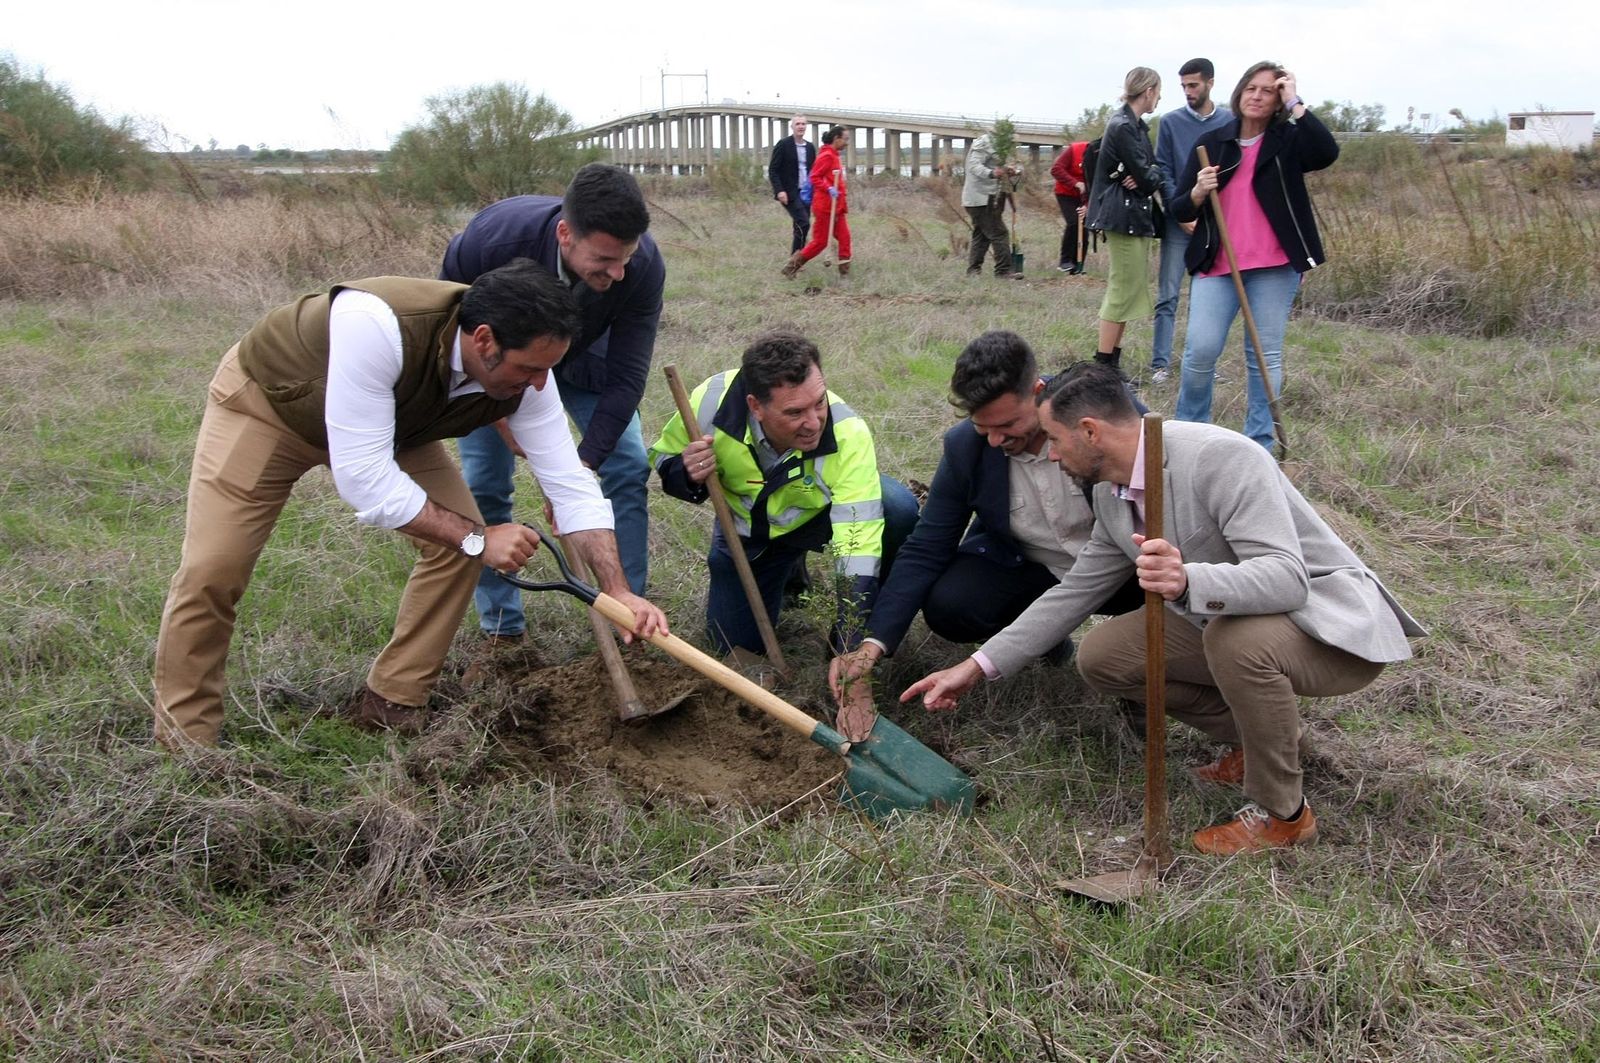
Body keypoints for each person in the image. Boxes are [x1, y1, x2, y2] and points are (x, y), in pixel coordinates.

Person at [901, 361, 1424, 855]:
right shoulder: (1111, 496)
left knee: (1234, 642)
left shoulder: (1222, 457)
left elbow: (1288, 580)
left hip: (1329, 626)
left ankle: (1284, 815)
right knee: (1103, 656)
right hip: (1231, 623)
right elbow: (1072, 594)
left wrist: (1187, 579)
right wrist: (975, 667)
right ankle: (1260, 740)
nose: (1052, 456)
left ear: (1089, 432)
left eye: (1055, 441)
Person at [152, 260, 667, 748]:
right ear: (483, 339)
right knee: (212, 570)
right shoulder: (376, 324)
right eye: (529, 368)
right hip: (272, 408)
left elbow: (568, 482)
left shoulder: (531, 374)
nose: (538, 384)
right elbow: (365, 479)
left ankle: (391, 701)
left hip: (395, 425)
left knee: (457, 547)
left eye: (545, 371)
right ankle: (186, 738)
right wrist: (478, 537)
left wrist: (617, 590)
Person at [827, 331, 1142, 741]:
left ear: (1038, 391)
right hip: (1034, 567)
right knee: (951, 604)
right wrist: (873, 644)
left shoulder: (1102, 420)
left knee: (1151, 586)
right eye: (983, 428)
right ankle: (1042, 638)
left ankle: (1136, 673)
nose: (995, 440)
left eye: (1009, 424)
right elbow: (926, 547)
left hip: (1123, 566)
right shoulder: (966, 448)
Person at [440, 164, 664, 654]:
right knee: (484, 485)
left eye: (625, 258)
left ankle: (628, 611)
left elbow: (628, 375)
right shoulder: (491, 242)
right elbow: (456, 341)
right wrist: (498, 414)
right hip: (494, 367)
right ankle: (503, 631)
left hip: (585, 361)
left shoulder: (640, 265)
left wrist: (576, 471)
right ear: (565, 234)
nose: (619, 272)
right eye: (604, 260)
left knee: (625, 462)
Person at [648, 329, 919, 656]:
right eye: (794, 413)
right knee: (731, 648)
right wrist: (686, 472)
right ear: (755, 406)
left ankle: (842, 627)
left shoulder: (847, 431)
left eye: (819, 403)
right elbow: (664, 457)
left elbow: (858, 543)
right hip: (751, 531)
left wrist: (850, 645)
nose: (814, 423)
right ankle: (787, 570)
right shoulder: (709, 402)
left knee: (897, 508)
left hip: (818, 518)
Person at [1171, 63, 1338, 452]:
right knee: (1201, 350)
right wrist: (1197, 192)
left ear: (1278, 99)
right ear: (1240, 92)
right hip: (1217, 265)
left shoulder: (1288, 143)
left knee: (1264, 358)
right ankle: (1190, 437)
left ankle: (1259, 444)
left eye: (1269, 91)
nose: (1258, 96)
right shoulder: (1212, 142)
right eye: (1252, 88)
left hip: (1273, 269)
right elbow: (1179, 208)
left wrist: (1295, 100)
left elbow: (1326, 151)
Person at [1150, 58, 1232, 384]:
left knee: (1207, 297)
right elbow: (1163, 170)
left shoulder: (1230, 121)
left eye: (1193, 85)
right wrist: (1179, 211)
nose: (1188, 91)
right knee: (1168, 294)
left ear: (1210, 83)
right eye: (1183, 86)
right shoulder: (1170, 123)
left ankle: (1204, 363)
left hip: (1213, 225)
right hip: (1178, 221)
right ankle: (1161, 364)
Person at [1085, 67, 1164, 380]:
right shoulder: (1123, 126)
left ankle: (1110, 363)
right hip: (1123, 216)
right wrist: (1150, 176)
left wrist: (1148, 175)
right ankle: (1103, 364)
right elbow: (1148, 176)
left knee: (1129, 289)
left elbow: (1147, 172)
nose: (1159, 97)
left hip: (1130, 216)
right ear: (1148, 91)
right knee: (1122, 289)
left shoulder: (1133, 126)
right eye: (1158, 91)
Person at [782, 127, 852, 279]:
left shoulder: (835, 155)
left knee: (845, 238)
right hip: (825, 207)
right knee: (820, 242)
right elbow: (814, 177)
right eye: (845, 139)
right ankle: (791, 267)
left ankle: (844, 275)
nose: (847, 143)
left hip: (837, 207)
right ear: (836, 138)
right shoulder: (826, 156)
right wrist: (829, 188)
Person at [961, 131, 1018, 278]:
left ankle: (973, 272)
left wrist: (1010, 171)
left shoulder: (1002, 147)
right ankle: (1003, 271)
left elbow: (1006, 167)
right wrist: (992, 173)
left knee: (982, 235)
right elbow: (974, 166)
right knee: (999, 233)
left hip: (991, 197)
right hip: (979, 198)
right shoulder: (984, 143)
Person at [768, 115, 818, 254]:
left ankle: (797, 259)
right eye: (798, 124)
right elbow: (773, 170)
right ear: (792, 127)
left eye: (803, 124)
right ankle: (796, 258)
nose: (801, 126)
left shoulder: (810, 147)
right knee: (804, 223)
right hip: (789, 192)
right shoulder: (783, 144)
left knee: (800, 225)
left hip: (806, 192)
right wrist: (779, 190)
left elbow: (814, 171)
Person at [1050, 140, 1090, 274]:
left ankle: (1078, 266)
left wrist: (1087, 206)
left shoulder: (1104, 158)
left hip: (1085, 195)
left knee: (1084, 228)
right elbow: (1056, 170)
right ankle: (1065, 261)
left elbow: (1099, 184)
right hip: (1065, 192)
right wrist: (1075, 183)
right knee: (1073, 222)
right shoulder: (1075, 149)